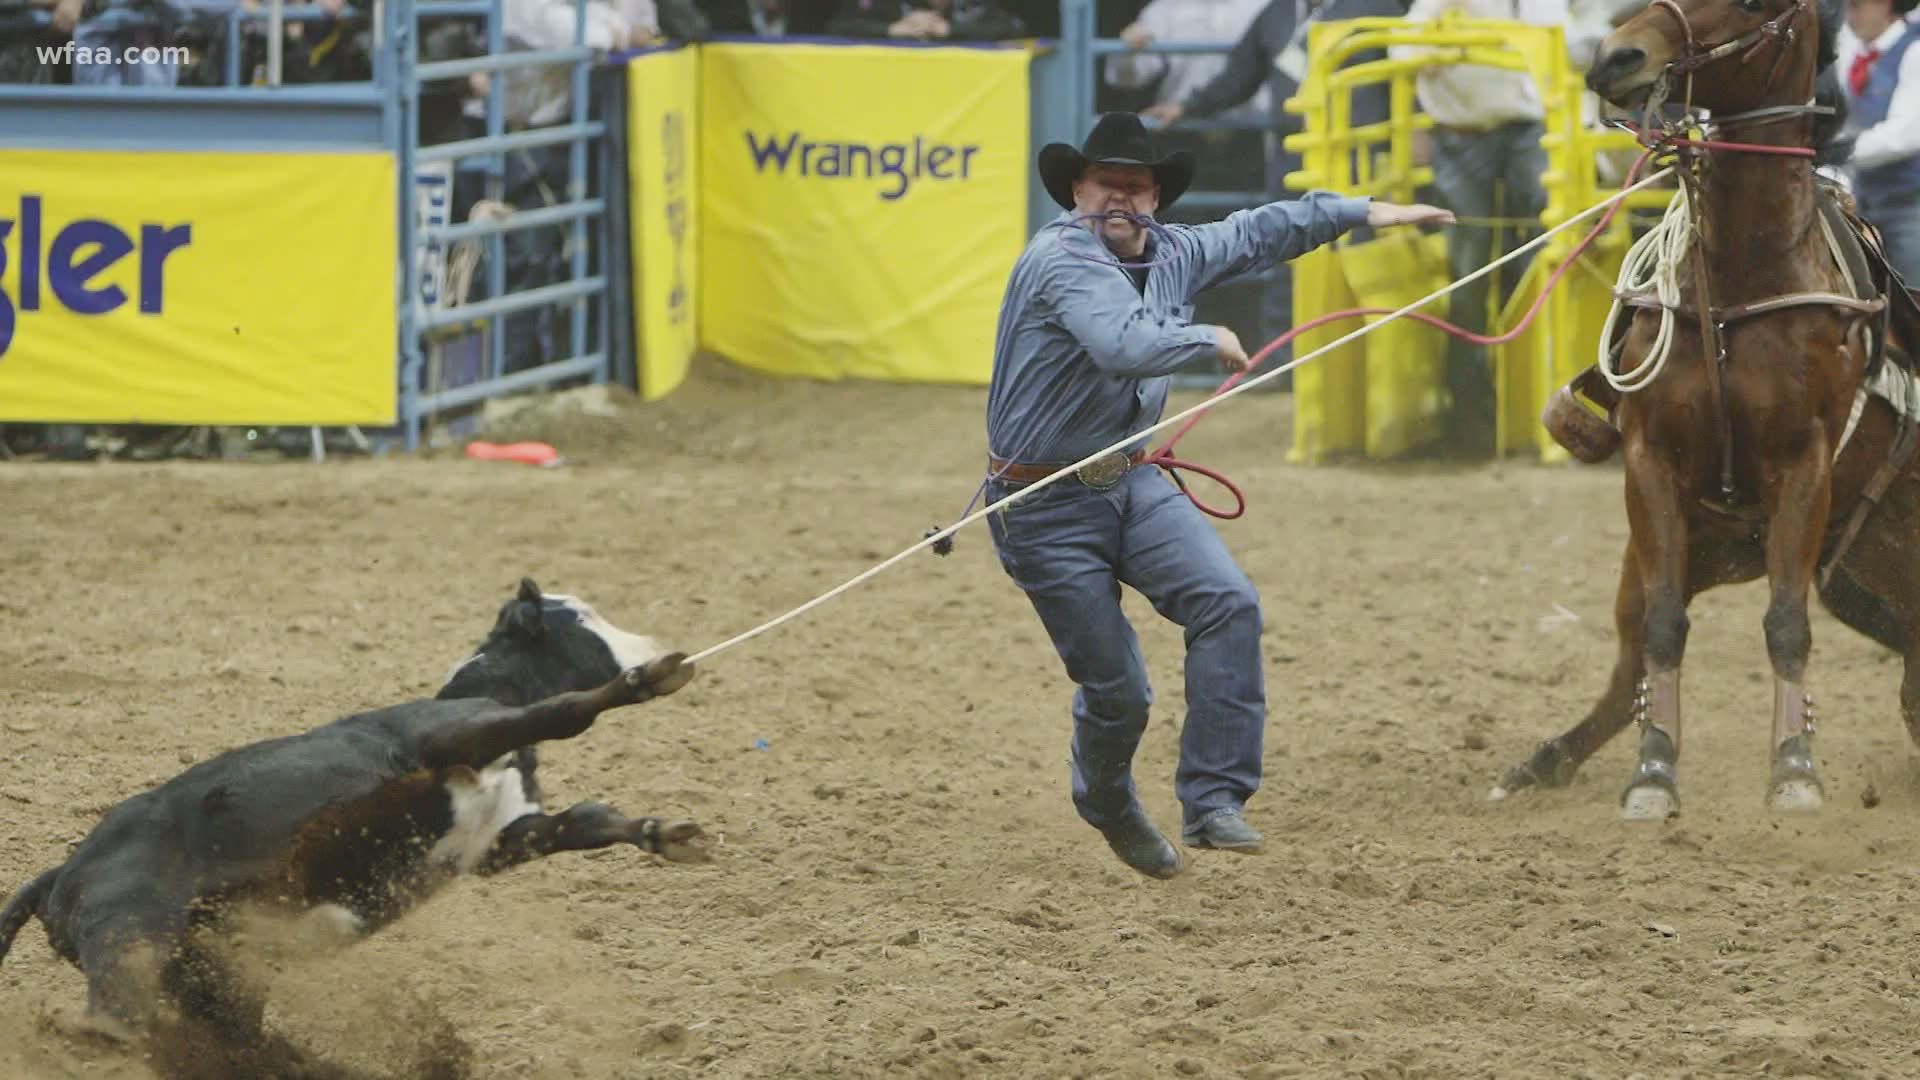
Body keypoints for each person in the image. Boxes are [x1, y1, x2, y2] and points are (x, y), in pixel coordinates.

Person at [983, 112, 1452, 879]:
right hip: (1042, 508)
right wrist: (1204, 338)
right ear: (1078, 190)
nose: (1120, 201)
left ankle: (1213, 801)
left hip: (1130, 481)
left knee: (1227, 603)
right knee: (1118, 691)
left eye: (1136, 187)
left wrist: (1364, 212)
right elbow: (1121, 343)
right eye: (1107, 185)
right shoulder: (1059, 260)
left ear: (1156, 196)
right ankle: (1105, 797)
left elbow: (1263, 228)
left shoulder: (1174, 252)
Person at [1837, 0, 1920, 283]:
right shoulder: (1857, 53)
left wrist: (1838, 149)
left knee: (1913, 299)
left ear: (1886, 4)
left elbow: (1905, 136)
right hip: (1865, 203)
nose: (1850, 14)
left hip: (1910, 207)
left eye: (1857, 5)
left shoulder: (1915, 51)